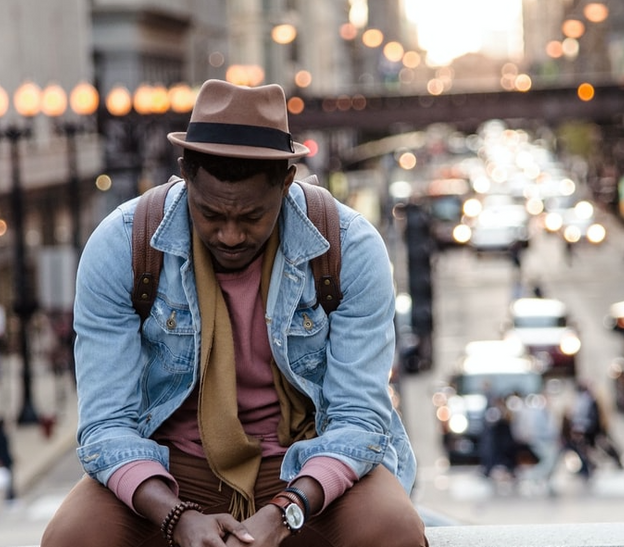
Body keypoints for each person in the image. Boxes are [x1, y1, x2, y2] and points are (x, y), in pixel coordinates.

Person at [42, 80, 427, 547]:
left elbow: (360, 419)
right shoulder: (122, 245)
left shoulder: (350, 247)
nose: (229, 235)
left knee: (394, 530)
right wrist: (176, 517)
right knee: (73, 536)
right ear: (185, 173)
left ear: (287, 183)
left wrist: (287, 511)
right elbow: (105, 426)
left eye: (250, 218)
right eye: (210, 215)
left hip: (307, 461)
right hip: (170, 465)